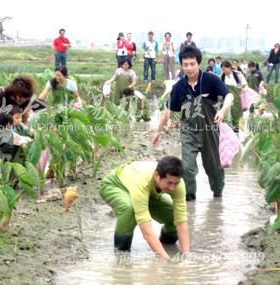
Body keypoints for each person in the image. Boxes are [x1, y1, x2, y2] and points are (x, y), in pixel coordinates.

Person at [152, 46, 234, 201]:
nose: (189, 68)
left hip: (210, 130)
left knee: (214, 168)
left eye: (192, 64)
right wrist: (157, 130)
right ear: (182, 65)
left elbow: (229, 96)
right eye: (185, 64)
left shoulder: (211, 80)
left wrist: (222, 111)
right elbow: (169, 110)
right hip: (188, 131)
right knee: (187, 167)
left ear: (198, 64)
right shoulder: (179, 87)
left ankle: (218, 196)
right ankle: (189, 199)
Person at [100, 156, 189, 259]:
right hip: (115, 185)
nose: (172, 187)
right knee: (129, 209)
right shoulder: (142, 183)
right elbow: (146, 230)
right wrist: (165, 259)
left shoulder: (178, 183)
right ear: (157, 176)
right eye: (169, 183)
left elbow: (181, 220)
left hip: (148, 192)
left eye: (176, 183)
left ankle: (167, 245)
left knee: (174, 215)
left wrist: (186, 254)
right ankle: (121, 253)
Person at [0, 76, 36, 164]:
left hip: (12, 115)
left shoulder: (26, 101)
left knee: (14, 141)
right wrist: (1, 135)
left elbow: (24, 124)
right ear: (15, 92)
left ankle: (9, 165)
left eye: (26, 97)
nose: (23, 100)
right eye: (21, 97)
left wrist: (20, 135)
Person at [221, 61, 248, 133]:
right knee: (225, 115)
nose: (224, 71)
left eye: (225, 69)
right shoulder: (223, 76)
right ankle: (227, 133)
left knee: (236, 115)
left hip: (237, 99)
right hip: (227, 98)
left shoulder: (238, 75)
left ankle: (236, 132)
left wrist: (242, 88)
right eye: (222, 70)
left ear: (229, 67)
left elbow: (245, 84)